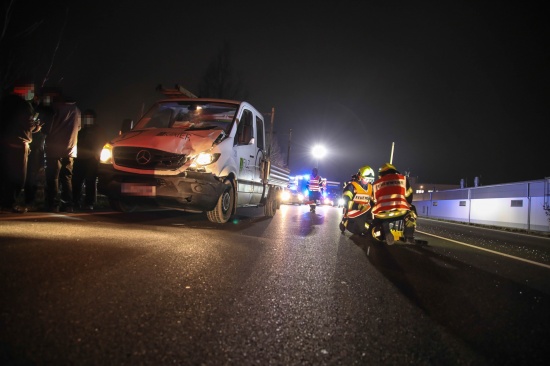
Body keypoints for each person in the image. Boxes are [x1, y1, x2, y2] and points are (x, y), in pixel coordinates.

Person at [0, 82, 42, 213]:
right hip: (18, 144)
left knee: (3, 174)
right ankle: (8, 203)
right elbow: (29, 124)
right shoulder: (24, 105)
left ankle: (3, 202)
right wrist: (37, 127)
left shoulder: (3, 101)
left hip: (3, 142)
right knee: (17, 177)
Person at [42, 88, 81, 213]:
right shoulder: (77, 110)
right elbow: (79, 128)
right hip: (71, 149)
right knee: (67, 177)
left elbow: (47, 129)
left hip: (54, 148)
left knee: (53, 177)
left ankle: (52, 204)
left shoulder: (54, 108)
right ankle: (68, 204)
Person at [372, 163, 417, 245]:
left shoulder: (375, 184)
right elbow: (409, 198)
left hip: (381, 215)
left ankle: (385, 228)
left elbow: (373, 201)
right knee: (412, 211)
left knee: (377, 219)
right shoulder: (403, 179)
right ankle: (409, 237)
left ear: (381, 173)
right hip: (399, 212)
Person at [23, 91, 53, 210]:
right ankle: (34, 200)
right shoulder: (46, 110)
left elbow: (40, 127)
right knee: (33, 173)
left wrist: (37, 128)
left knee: (32, 173)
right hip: (38, 145)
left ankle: (31, 200)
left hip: (36, 144)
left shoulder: (41, 110)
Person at [72, 109, 108, 210]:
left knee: (90, 181)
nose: (87, 120)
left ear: (94, 119)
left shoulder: (98, 130)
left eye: (89, 118)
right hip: (79, 158)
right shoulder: (80, 129)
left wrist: (97, 155)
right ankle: (75, 202)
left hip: (91, 159)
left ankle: (89, 203)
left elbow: (103, 143)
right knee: (76, 181)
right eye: (86, 117)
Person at [340, 165, 375, 235]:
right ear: (360, 177)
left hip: (365, 211)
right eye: (366, 179)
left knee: (371, 225)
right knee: (359, 230)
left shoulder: (371, 187)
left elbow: (373, 200)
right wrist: (358, 206)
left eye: (369, 179)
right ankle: (345, 222)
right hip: (354, 212)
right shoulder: (351, 186)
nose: (367, 181)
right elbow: (346, 200)